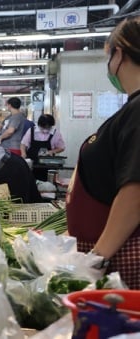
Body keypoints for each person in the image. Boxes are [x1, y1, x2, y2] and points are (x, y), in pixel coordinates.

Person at [66, 16, 140, 289]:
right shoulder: (131, 109)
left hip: (123, 259)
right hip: (112, 253)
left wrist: (97, 258)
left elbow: (135, 191)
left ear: (119, 54)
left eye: (108, 56)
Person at [20, 114, 66, 181]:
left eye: (48, 128)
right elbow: (23, 144)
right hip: (32, 164)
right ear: (39, 125)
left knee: (47, 185)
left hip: (47, 165)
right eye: (43, 127)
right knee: (31, 183)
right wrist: (23, 153)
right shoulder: (32, 131)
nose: (45, 130)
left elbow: (62, 147)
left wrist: (52, 151)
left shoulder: (56, 133)